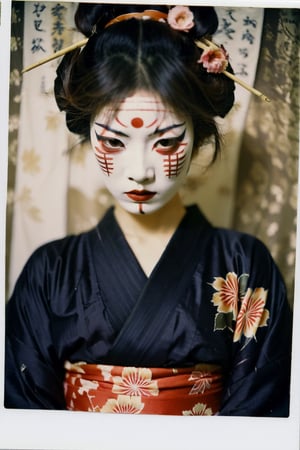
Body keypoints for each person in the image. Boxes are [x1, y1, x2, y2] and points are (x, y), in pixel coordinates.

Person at [5, 3, 292, 416]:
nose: (139, 173)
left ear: (199, 135)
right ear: (88, 134)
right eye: (114, 142)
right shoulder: (50, 271)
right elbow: (21, 411)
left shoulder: (245, 264)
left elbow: (261, 409)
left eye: (166, 141)